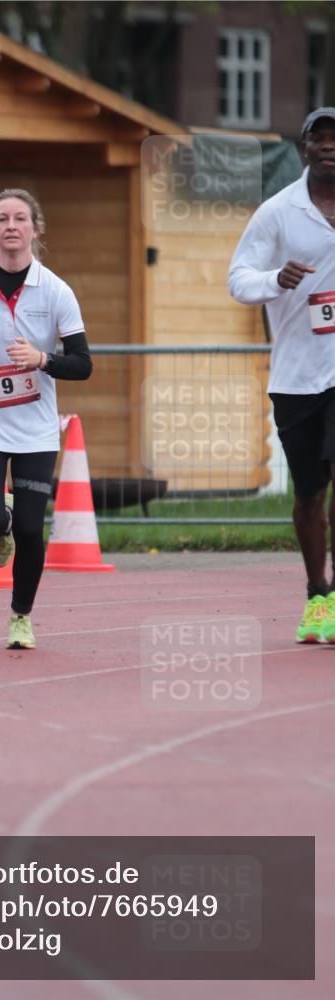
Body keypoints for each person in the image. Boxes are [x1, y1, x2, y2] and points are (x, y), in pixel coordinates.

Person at [0, 188, 92, 649]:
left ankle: (21, 616)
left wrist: (43, 359)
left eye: (20, 218)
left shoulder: (56, 290)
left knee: (30, 528)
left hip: (35, 429)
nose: (11, 226)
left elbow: (83, 364)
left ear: (35, 229)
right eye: (2, 219)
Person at [229, 107, 335, 644]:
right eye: (320, 138)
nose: (330, 146)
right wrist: (276, 278)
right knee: (310, 493)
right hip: (297, 375)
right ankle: (318, 594)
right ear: (304, 148)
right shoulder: (277, 212)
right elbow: (238, 279)